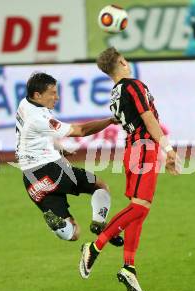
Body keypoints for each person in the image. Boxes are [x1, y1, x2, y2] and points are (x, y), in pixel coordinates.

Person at [79, 47, 179, 291]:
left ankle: (129, 267)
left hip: (134, 149)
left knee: (139, 210)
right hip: (143, 148)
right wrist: (168, 148)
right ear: (122, 62)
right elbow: (148, 118)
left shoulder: (115, 93)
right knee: (139, 207)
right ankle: (95, 246)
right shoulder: (133, 86)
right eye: (125, 60)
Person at [16, 72, 123, 246]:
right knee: (99, 186)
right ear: (37, 95)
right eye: (52, 93)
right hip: (51, 169)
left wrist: (58, 149)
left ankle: (57, 224)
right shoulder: (40, 118)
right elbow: (80, 131)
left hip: (31, 179)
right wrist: (110, 120)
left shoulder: (24, 105)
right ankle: (99, 223)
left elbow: (31, 137)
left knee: (73, 233)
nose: (56, 97)